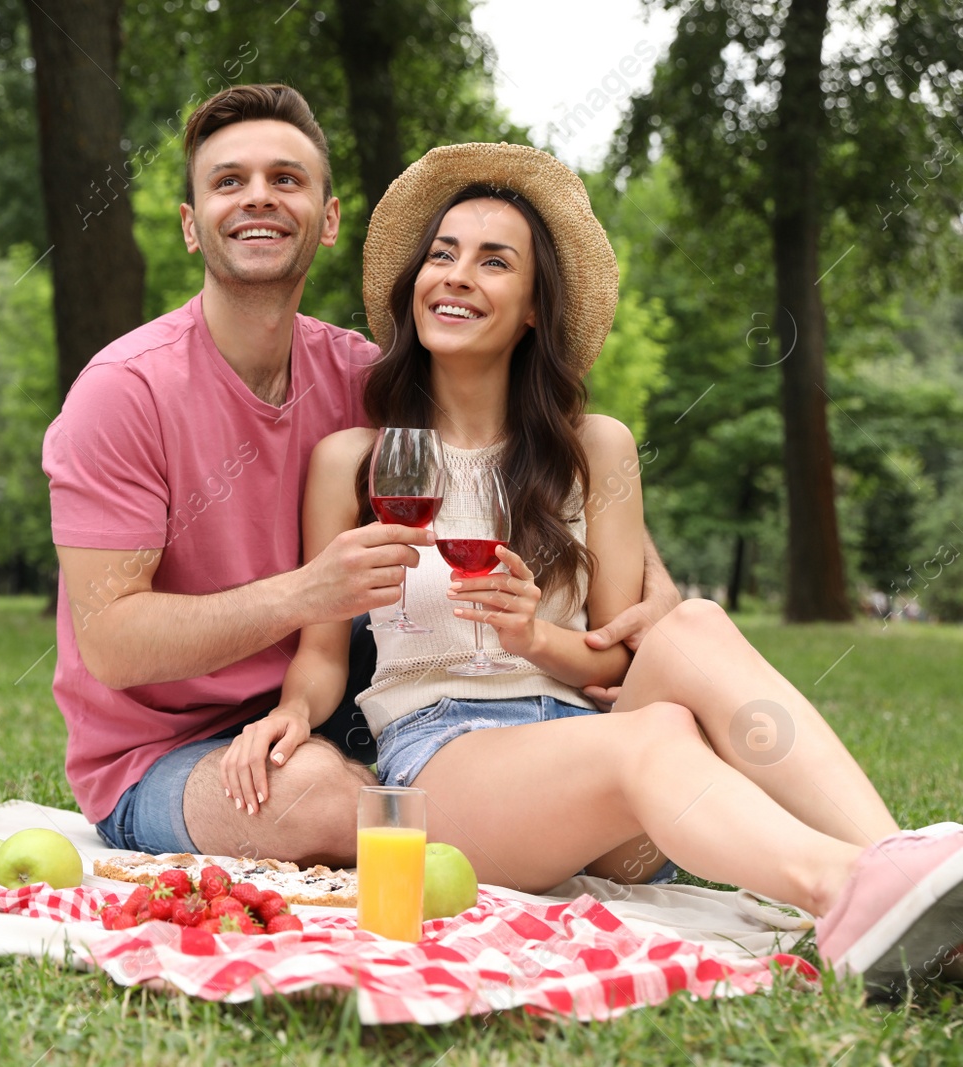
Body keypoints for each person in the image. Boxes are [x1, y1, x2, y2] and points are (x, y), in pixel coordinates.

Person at [220, 140, 963, 991]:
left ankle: (910, 880)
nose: (457, 276)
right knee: (652, 734)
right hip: (453, 764)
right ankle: (847, 894)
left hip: (597, 764)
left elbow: (617, 655)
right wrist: (287, 713)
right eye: (442, 255)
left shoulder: (595, 450)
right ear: (415, 286)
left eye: (493, 261)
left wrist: (533, 635)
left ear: (534, 307)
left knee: (694, 624)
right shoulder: (353, 461)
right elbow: (321, 658)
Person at [42, 85, 678, 868]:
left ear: (329, 217)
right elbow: (109, 643)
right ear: (190, 222)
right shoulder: (123, 392)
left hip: (326, 713)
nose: (258, 199)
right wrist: (309, 592)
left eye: (286, 178)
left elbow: (534, 454)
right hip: (163, 752)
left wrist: (658, 591)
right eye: (228, 180)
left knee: (365, 794)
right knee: (330, 805)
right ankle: (489, 804)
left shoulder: (362, 379)